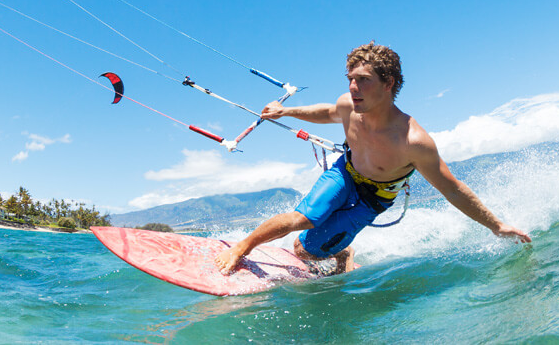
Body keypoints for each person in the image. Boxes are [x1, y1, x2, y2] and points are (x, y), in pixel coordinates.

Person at [214, 41, 531, 275]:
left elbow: (451, 189)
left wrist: (497, 225)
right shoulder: (349, 106)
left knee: (304, 250)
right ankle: (244, 246)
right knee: (303, 219)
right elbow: (327, 112)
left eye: (363, 79)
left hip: (373, 198)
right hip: (345, 173)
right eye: (350, 78)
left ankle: (343, 252)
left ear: (388, 83)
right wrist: (287, 110)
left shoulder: (413, 141)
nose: (353, 87)